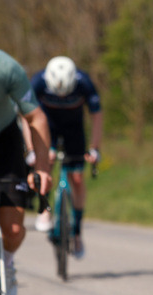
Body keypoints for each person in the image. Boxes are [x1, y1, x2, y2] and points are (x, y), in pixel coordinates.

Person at [0, 37, 52, 295]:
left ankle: (6, 265)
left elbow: (36, 118)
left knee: (13, 228)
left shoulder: (6, 68)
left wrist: (42, 169)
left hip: (3, 142)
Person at [30, 56, 104, 257]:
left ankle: (77, 232)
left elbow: (96, 115)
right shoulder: (37, 82)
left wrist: (94, 148)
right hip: (48, 129)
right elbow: (25, 115)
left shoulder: (84, 82)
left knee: (78, 179)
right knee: (46, 164)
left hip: (74, 131)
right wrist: (32, 150)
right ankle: (44, 209)